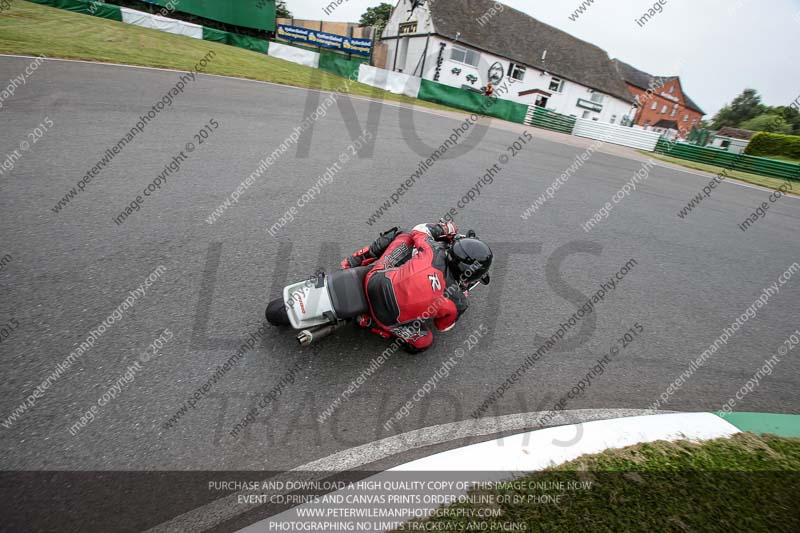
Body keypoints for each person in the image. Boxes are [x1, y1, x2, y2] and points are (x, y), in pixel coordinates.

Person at [341, 222, 493, 353]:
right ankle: (368, 322)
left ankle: (354, 261)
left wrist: (446, 228)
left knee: (405, 235)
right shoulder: (458, 302)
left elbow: (419, 229)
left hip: (373, 281)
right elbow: (442, 327)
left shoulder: (434, 251)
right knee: (424, 342)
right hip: (386, 319)